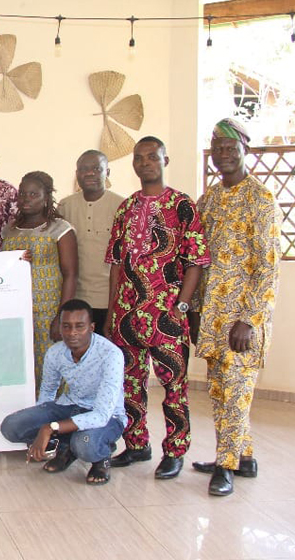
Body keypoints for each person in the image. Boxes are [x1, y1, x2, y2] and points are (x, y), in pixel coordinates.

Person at [106, 136, 210, 480]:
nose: (145, 162)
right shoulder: (126, 208)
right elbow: (116, 264)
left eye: (152, 156)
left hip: (166, 314)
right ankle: (136, 445)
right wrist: (112, 311)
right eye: (139, 158)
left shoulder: (182, 205)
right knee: (129, 384)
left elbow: (196, 261)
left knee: (174, 386)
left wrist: (182, 305)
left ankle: (175, 451)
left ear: (165, 160)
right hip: (127, 314)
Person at [189, 119, 281, 496]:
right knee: (219, 391)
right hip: (212, 318)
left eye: (231, 149)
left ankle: (225, 466)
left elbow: (268, 267)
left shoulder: (261, 199)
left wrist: (249, 320)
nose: (224, 155)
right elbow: (198, 258)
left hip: (243, 321)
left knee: (237, 393)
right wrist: (194, 310)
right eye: (218, 149)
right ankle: (243, 457)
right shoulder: (208, 200)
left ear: (246, 151)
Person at [0, 299, 126, 485]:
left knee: (84, 444)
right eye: (66, 326)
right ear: (60, 328)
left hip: (107, 416)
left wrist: (50, 428)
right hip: (70, 406)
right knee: (11, 426)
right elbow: (48, 391)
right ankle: (66, 447)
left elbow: (101, 415)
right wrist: (41, 423)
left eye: (79, 326)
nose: (72, 333)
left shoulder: (111, 355)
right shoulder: (55, 352)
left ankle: (101, 456)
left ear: (91, 327)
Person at [1, 171, 78, 388]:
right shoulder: (9, 231)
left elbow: (71, 274)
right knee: (22, 368)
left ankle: (54, 409)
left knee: (50, 368)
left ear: (46, 198)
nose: (26, 199)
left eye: (33, 194)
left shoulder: (60, 229)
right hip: (17, 312)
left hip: (48, 312)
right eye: (23, 193)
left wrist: (61, 318)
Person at [58, 150, 125, 334]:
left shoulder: (122, 206)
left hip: (109, 301)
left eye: (96, 168)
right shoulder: (65, 206)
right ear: (76, 173)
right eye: (83, 169)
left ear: (107, 172)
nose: (89, 173)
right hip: (75, 299)